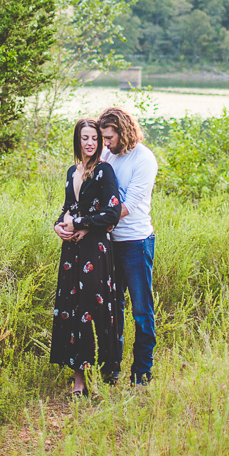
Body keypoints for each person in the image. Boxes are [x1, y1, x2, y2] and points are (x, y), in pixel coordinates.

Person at [49, 117, 124, 397]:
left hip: (95, 249)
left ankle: (107, 374)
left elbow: (112, 213)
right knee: (73, 309)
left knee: (97, 310)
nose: (91, 143)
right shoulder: (73, 171)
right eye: (85, 138)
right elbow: (68, 207)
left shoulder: (105, 171)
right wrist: (59, 225)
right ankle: (79, 379)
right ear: (77, 141)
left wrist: (79, 223)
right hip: (72, 251)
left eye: (95, 138)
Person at [97, 106, 160, 385]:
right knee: (112, 309)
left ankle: (141, 373)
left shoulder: (144, 159)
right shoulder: (107, 153)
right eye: (103, 138)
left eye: (109, 137)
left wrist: (93, 222)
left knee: (141, 310)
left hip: (136, 242)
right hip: (109, 243)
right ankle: (111, 370)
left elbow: (130, 205)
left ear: (124, 132)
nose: (105, 143)